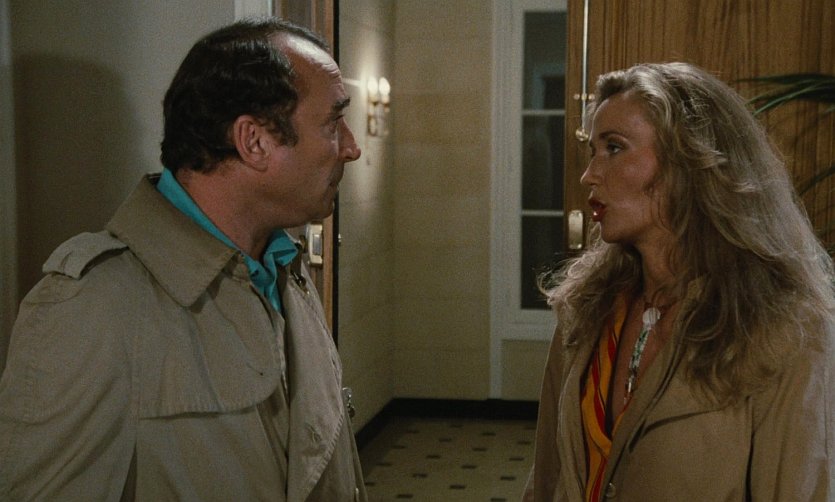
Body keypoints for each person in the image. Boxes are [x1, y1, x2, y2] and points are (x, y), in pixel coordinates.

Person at [0, 17, 366, 501]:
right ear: (254, 141)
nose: (351, 148)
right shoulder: (93, 304)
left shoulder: (285, 269)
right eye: (333, 123)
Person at [524, 62, 835, 501]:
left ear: (689, 163)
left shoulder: (785, 331)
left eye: (614, 148)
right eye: (593, 150)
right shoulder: (584, 310)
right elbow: (545, 481)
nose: (588, 174)